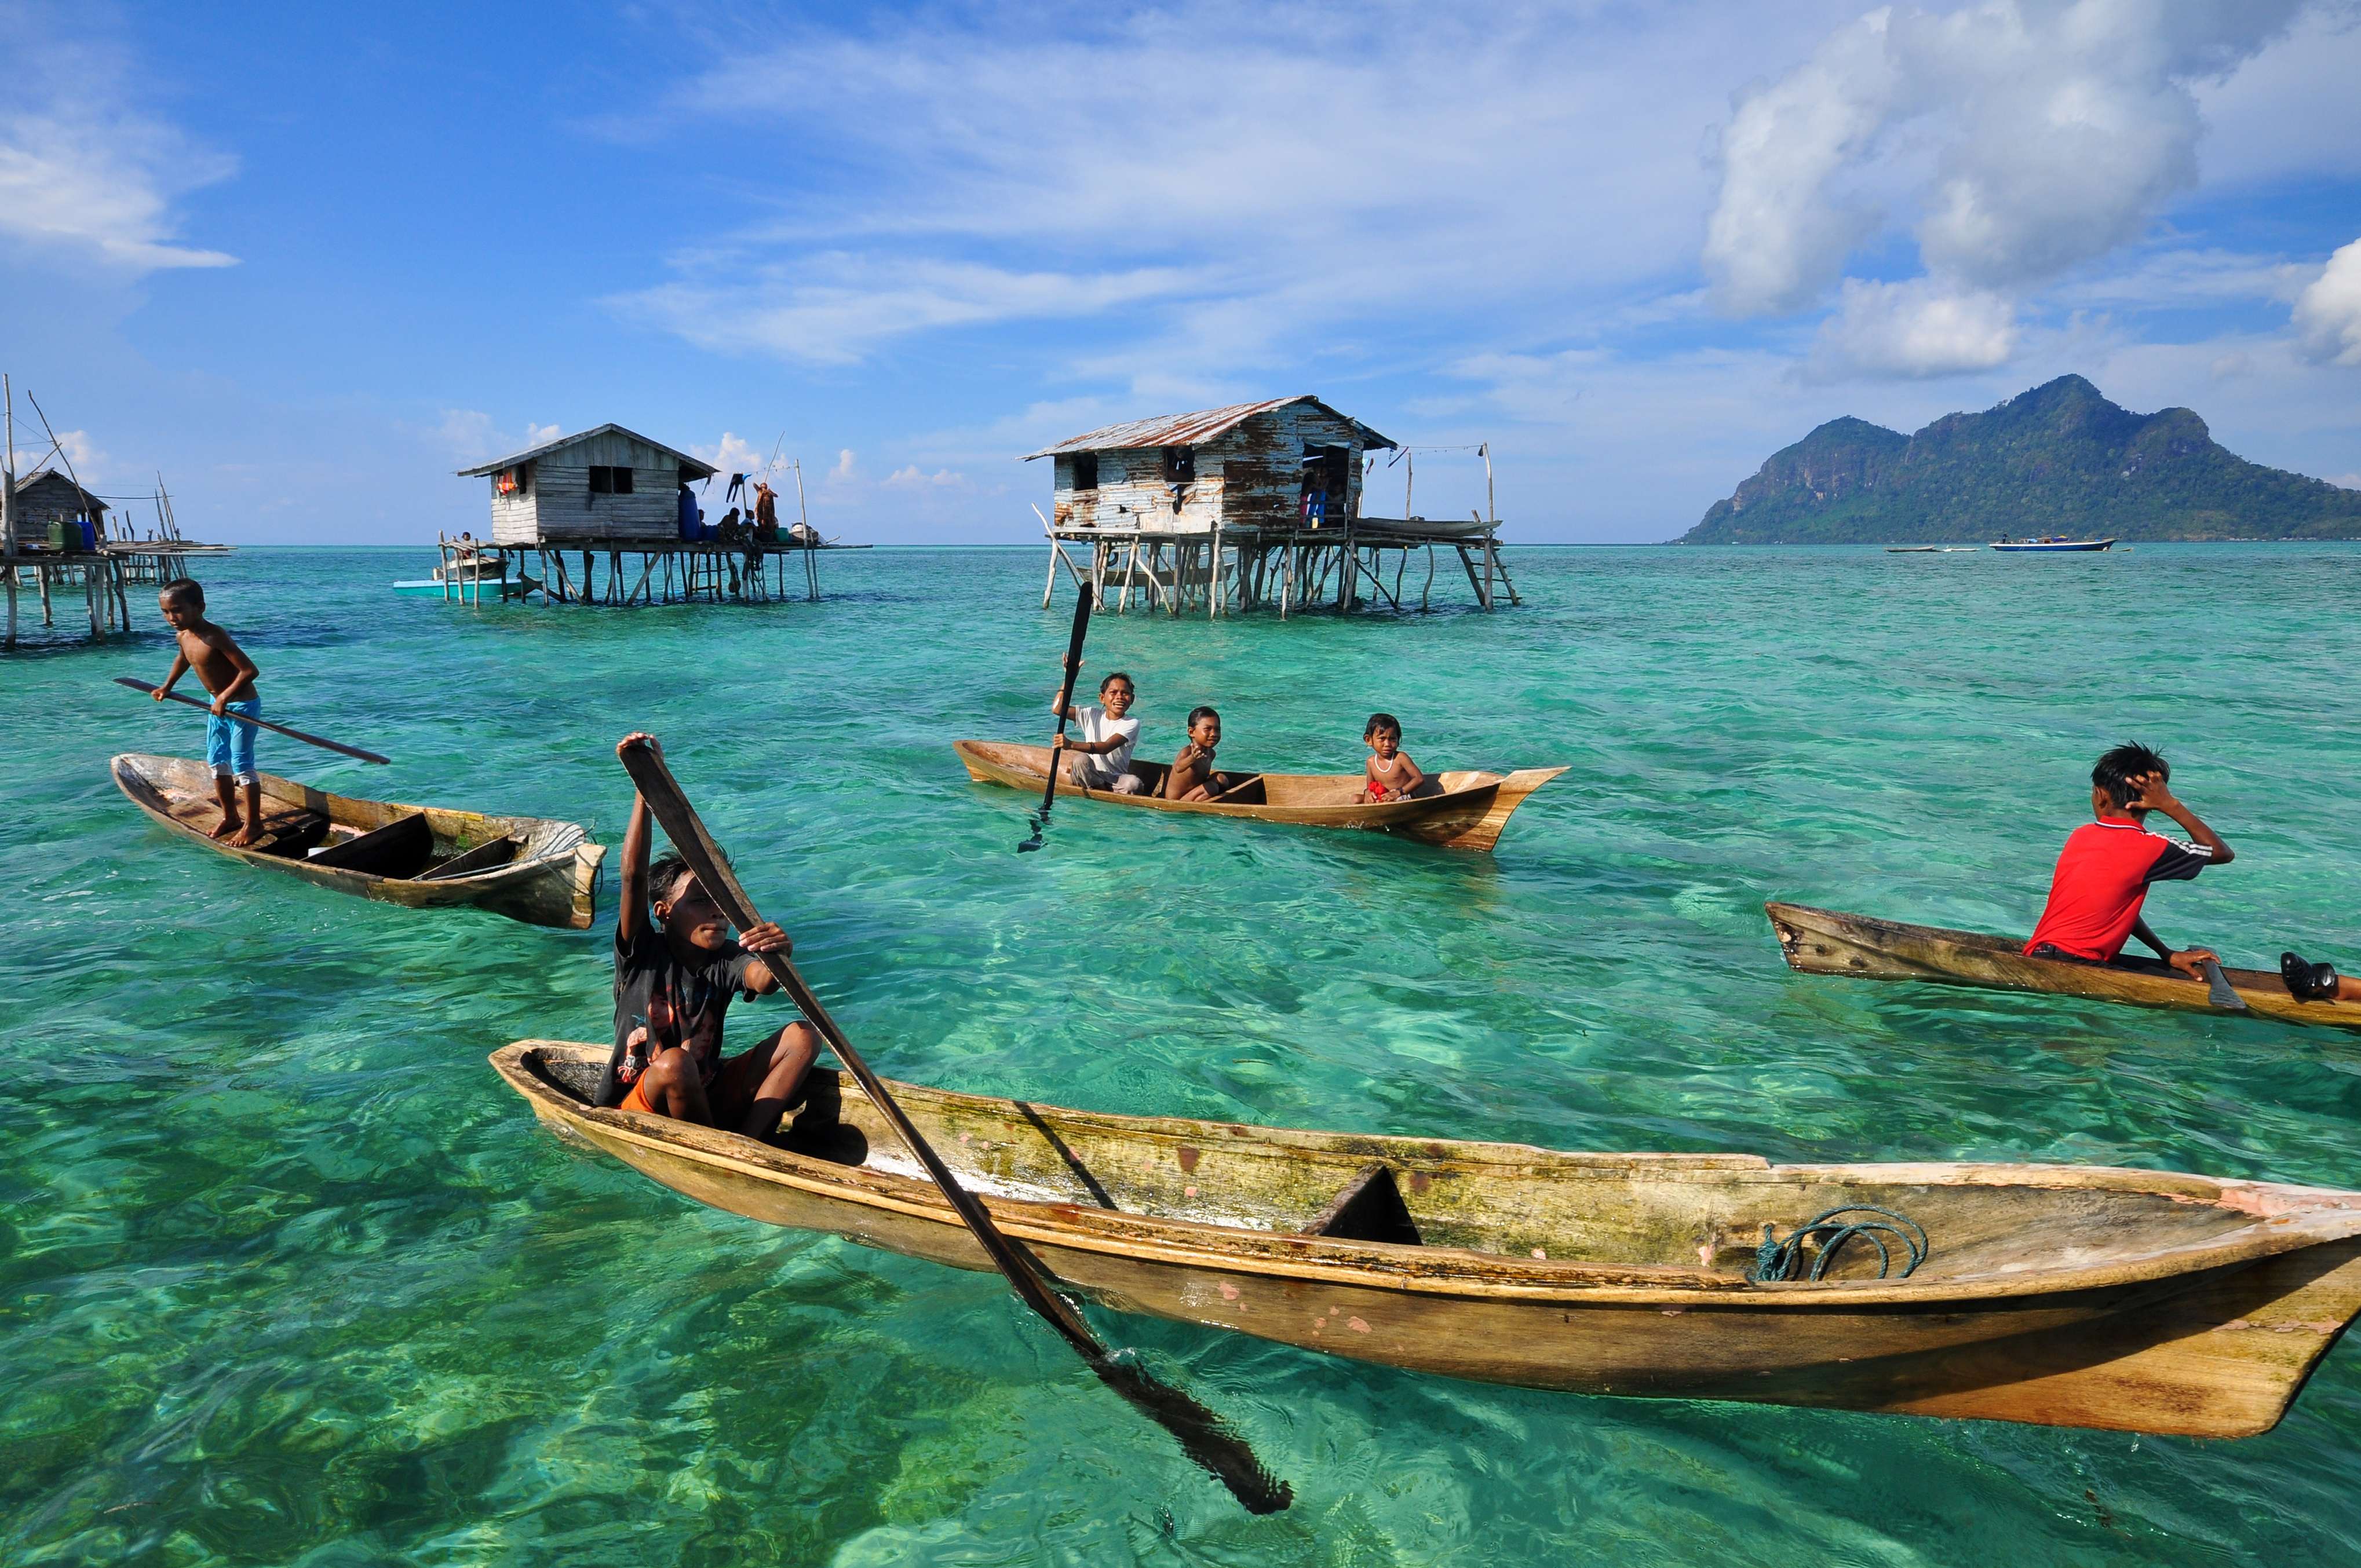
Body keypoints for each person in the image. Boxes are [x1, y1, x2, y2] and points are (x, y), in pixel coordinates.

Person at [603, 732, 822, 1138]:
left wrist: (781, 954)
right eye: (701, 901)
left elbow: (763, 980)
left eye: (720, 902)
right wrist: (646, 789)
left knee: (803, 1034)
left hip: (704, 1093)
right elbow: (633, 878)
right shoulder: (642, 952)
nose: (718, 912)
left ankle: (752, 1144)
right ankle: (716, 1145)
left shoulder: (723, 957)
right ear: (664, 913)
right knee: (673, 1063)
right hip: (639, 1099)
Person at [2022, 743, 2234, 979]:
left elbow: (2114, 908)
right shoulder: (2151, 847)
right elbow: (2222, 853)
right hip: (2078, 964)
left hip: (2040, 952)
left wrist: (2166, 954)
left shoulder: (2080, 836)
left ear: (2101, 795)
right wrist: (2171, 805)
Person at [154, 578, 264, 846]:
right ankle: (231, 817)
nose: (172, 618)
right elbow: (184, 659)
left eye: (177, 610)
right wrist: (167, 686)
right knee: (217, 762)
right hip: (216, 706)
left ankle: (254, 825)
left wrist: (225, 696)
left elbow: (249, 671)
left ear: (200, 607)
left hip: (241, 707)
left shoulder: (215, 636)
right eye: (166, 612)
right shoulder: (183, 635)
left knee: (242, 764)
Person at [1050, 668, 1145, 794]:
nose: (1119, 697)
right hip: (1089, 773)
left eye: (1125, 693)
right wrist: (1070, 677)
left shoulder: (1132, 723)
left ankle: (1101, 791)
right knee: (1080, 760)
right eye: (1114, 692)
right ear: (1102, 698)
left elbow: (1106, 747)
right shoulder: (1091, 714)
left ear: (1132, 699)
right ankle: (1099, 788)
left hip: (1114, 779)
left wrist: (1071, 745)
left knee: (1134, 784)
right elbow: (1058, 709)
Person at [1163, 706, 1240, 802]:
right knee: (1212, 788)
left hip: (1194, 791)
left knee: (1222, 779)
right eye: (1208, 729)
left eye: (1217, 730)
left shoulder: (1211, 754)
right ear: (1192, 732)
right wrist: (1192, 758)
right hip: (1177, 800)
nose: (1214, 734)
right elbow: (1178, 768)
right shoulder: (1187, 752)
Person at [1356, 712, 1427, 802]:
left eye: (1393, 739)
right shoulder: (1371, 762)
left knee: (1389, 801)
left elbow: (1419, 779)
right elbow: (1371, 786)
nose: (1387, 744)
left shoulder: (1400, 758)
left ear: (1398, 740)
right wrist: (1368, 793)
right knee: (1355, 799)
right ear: (1369, 740)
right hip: (1384, 796)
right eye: (1382, 738)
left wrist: (1398, 793)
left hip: (1402, 796)